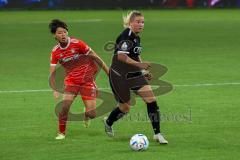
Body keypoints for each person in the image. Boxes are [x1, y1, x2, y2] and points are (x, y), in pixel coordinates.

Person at [103, 11, 168, 144]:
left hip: (134, 74)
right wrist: (140, 64)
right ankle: (108, 122)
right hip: (119, 76)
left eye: (142, 22)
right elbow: (121, 56)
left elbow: (136, 55)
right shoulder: (125, 35)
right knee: (125, 108)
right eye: (138, 22)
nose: (141, 24)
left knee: (151, 99)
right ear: (130, 23)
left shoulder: (136, 37)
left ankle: (157, 134)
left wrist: (143, 70)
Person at [49, 19, 109, 140]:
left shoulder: (78, 44)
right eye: (60, 33)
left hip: (87, 81)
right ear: (55, 35)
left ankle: (86, 114)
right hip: (71, 82)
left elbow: (96, 57)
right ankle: (61, 133)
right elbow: (53, 69)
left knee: (92, 114)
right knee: (64, 106)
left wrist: (109, 73)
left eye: (65, 32)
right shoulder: (55, 51)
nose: (63, 35)